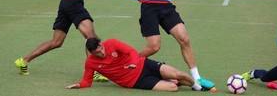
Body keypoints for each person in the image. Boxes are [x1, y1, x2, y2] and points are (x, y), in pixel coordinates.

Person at [65, 38, 213, 92]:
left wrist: (134, 63)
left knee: (179, 74)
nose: (101, 53)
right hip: (135, 81)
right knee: (173, 87)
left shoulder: (112, 43)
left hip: (144, 65)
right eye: (97, 53)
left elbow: (131, 52)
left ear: (101, 44)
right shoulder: (90, 62)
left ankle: (198, 87)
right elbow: (87, 81)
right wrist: (78, 85)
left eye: (101, 49)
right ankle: (175, 82)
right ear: (91, 53)